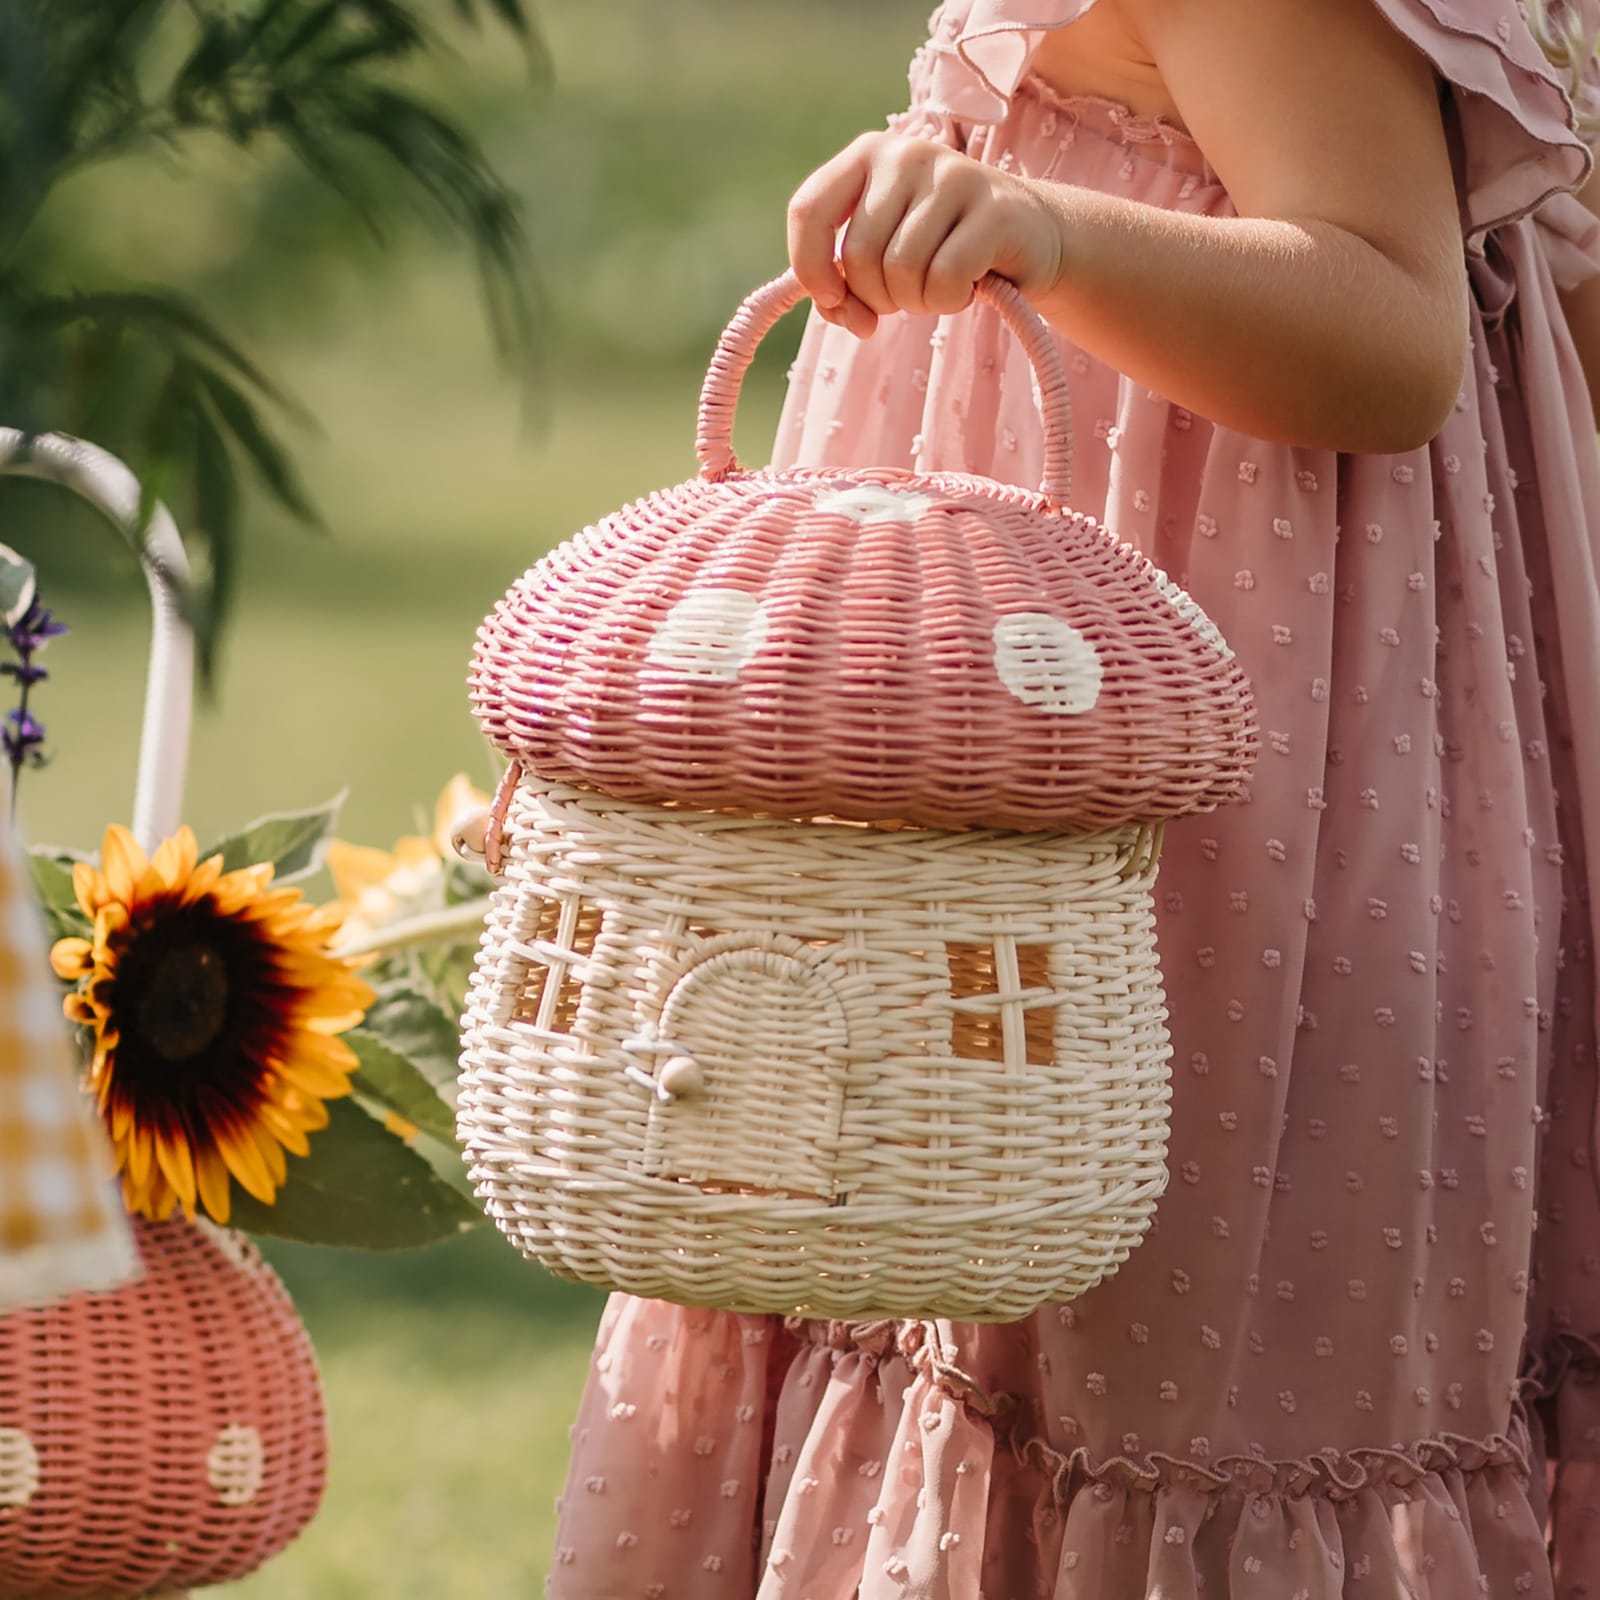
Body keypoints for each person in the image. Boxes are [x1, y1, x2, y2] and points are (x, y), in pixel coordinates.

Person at [549, 2, 1600, 1594]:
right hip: (1220, 721)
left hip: (1198, 770)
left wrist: (1046, 230)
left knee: (1165, 1360)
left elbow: (1391, 331)